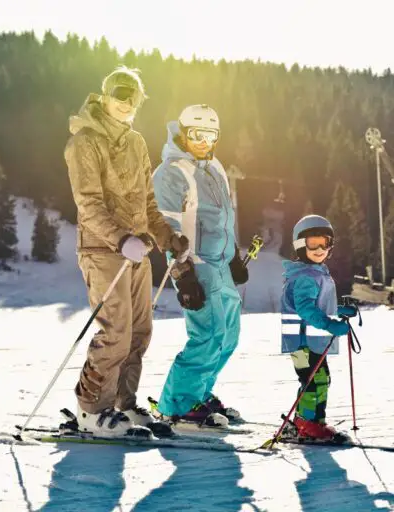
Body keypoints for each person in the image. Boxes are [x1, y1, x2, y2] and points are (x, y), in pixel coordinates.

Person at [64, 66, 190, 438]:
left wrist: (168, 237)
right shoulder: (85, 141)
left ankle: (123, 404)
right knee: (115, 330)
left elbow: (148, 202)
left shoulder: (135, 142)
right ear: (104, 96)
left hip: (137, 250)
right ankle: (91, 409)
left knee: (139, 331)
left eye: (133, 96)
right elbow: (88, 203)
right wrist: (120, 239)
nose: (126, 102)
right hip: (104, 251)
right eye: (120, 93)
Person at [150, 104, 249, 428]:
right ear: (183, 133)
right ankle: (177, 404)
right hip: (195, 265)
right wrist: (183, 275)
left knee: (229, 336)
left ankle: (200, 393)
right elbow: (167, 229)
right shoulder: (171, 172)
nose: (204, 141)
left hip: (220, 263)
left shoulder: (215, 167)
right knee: (207, 335)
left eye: (210, 135)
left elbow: (222, 218)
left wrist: (233, 254)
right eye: (197, 134)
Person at [280, 214, 357, 440]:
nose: (320, 248)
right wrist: (329, 324)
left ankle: (313, 421)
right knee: (314, 380)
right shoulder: (305, 276)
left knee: (319, 379)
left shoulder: (316, 272)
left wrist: (339, 310)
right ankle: (305, 423)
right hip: (301, 343)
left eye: (325, 242)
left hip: (311, 342)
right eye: (314, 243)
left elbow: (319, 304)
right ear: (300, 244)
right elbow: (306, 309)